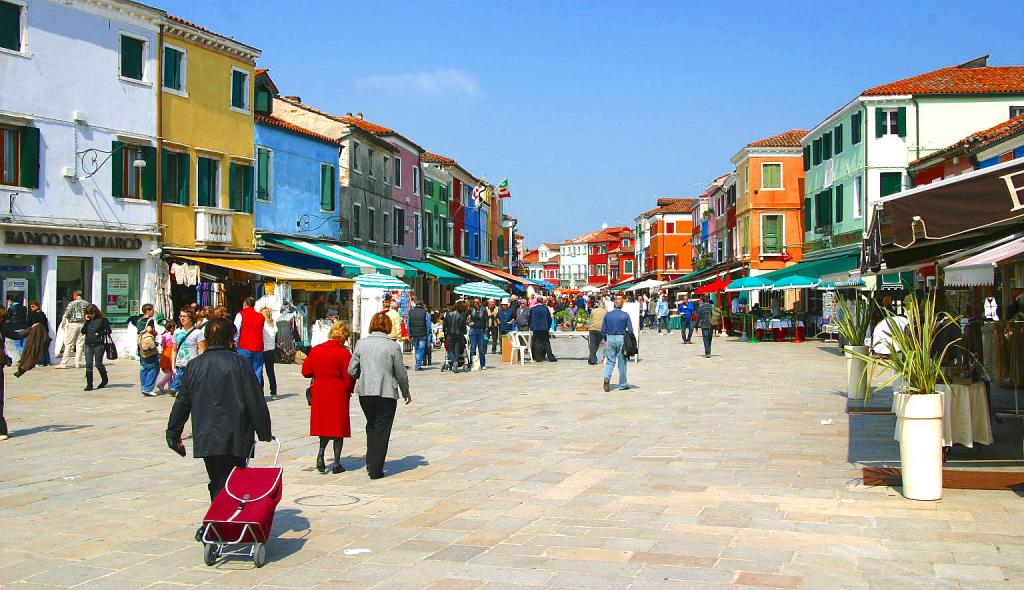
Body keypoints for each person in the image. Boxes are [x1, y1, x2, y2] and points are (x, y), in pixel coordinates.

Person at [166, 318, 274, 502]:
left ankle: (219, 514)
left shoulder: (194, 365)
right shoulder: (240, 364)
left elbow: (182, 402)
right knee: (229, 481)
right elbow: (255, 401)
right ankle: (220, 516)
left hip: (207, 433)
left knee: (217, 479)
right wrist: (264, 432)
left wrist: (173, 432)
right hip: (235, 433)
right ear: (231, 338)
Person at [348, 312, 411, 480]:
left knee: (371, 425)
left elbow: (351, 370)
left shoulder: (361, 344)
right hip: (386, 392)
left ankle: (370, 461)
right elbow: (401, 373)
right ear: (388, 326)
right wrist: (406, 392)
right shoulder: (392, 346)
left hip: (366, 392)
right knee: (382, 429)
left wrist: (364, 374)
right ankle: (376, 468)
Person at [302, 321, 355, 474]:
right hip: (338, 392)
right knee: (338, 428)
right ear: (343, 337)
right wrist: (348, 389)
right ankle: (336, 463)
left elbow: (306, 371)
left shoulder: (316, 350)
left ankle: (321, 453)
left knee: (324, 426)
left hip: (320, 391)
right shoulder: (344, 353)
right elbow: (349, 376)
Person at [0, 307, 32, 440]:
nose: (3, 321)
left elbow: (17, 335)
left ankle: (1, 430)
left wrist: (31, 329)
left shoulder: (2, 328)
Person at [601, 297, 633, 391]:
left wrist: (607, 339)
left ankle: (606, 379)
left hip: (610, 338)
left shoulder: (608, 315)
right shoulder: (625, 315)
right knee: (622, 362)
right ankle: (623, 384)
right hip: (621, 338)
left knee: (610, 361)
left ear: (614, 304)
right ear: (622, 305)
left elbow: (603, 330)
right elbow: (630, 330)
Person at [171, 308, 204, 394]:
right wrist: (173, 366)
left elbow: (202, 351)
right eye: (181, 316)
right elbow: (174, 350)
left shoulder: (198, 333)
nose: (182, 318)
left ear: (191, 318)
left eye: (185, 316)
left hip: (192, 367)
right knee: (180, 391)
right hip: (179, 366)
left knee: (191, 391)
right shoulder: (176, 332)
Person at [233, 297, 265, 383]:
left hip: (244, 346)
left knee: (244, 372)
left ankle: (245, 390)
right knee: (257, 372)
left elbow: (236, 331)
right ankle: (256, 390)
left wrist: (234, 343)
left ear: (245, 304)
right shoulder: (261, 316)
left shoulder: (240, 315)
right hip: (258, 347)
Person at [82, 304, 111, 391]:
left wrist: (99, 333)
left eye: (91, 313)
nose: (89, 315)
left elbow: (108, 331)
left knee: (98, 364)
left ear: (95, 312)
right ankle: (89, 384)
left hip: (99, 344)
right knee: (88, 365)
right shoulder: (88, 321)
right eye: (88, 314)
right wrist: (87, 321)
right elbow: (83, 331)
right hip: (88, 344)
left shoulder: (103, 320)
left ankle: (104, 379)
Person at [59, 290, 89, 369]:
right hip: (83, 324)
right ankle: (77, 363)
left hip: (73, 324)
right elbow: (88, 314)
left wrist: (65, 323)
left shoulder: (71, 304)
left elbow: (67, 314)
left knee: (69, 344)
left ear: (74, 295)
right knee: (80, 344)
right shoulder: (86, 303)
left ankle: (64, 363)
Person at [135, 304, 160, 396]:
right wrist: (154, 332)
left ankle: (144, 388)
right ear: (148, 311)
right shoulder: (150, 320)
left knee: (144, 368)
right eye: (152, 310)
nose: (153, 312)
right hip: (149, 347)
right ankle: (148, 388)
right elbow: (149, 330)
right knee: (154, 367)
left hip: (141, 347)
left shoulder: (139, 320)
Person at [529, 295, 557, 362]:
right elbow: (549, 319)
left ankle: (538, 358)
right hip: (544, 328)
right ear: (542, 301)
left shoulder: (533, 309)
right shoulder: (545, 308)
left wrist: (531, 326)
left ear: (536, 301)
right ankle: (550, 357)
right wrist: (548, 327)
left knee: (537, 343)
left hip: (536, 328)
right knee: (546, 342)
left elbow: (529, 318)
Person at [443, 301, 468, 373]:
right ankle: (456, 362)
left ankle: (454, 362)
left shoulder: (448, 314)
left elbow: (445, 324)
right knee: (457, 349)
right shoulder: (462, 315)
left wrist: (444, 330)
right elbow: (464, 327)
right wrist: (464, 332)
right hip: (459, 334)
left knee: (450, 349)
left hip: (450, 333)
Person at [407, 298, 431, 370]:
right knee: (421, 349)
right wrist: (428, 332)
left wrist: (409, 333)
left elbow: (408, 324)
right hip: (422, 333)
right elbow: (428, 324)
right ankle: (418, 365)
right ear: (422, 305)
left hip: (413, 334)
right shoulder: (425, 312)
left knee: (417, 349)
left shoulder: (410, 312)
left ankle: (418, 363)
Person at [261, 308, 278, 399]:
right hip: (271, 350)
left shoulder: (262, 325)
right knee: (271, 372)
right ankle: (274, 392)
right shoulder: (273, 324)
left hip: (262, 350)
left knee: (260, 372)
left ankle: (261, 391)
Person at [27, 301, 50, 366]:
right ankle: (47, 362)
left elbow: (32, 323)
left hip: (39, 333)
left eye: (33, 306)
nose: (31, 308)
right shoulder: (41, 314)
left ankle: (41, 362)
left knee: (39, 347)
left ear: (37, 306)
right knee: (44, 346)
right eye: (31, 307)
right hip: (43, 332)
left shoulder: (37, 314)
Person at [156, 319, 176, 392]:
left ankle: (170, 387)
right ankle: (161, 384)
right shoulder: (173, 335)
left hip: (165, 353)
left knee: (168, 371)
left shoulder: (163, 335)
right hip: (170, 353)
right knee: (171, 372)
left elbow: (162, 345)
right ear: (171, 328)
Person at [468, 298, 488, 370]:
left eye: (477, 302)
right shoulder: (471, 309)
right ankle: (472, 364)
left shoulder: (484, 310)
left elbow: (486, 320)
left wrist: (486, 331)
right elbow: (466, 318)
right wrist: (468, 323)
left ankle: (483, 364)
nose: (476, 304)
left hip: (481, 330)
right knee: (473, 348)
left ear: (480, 303)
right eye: (474, 302)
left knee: (481, 348)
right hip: (473, 330)